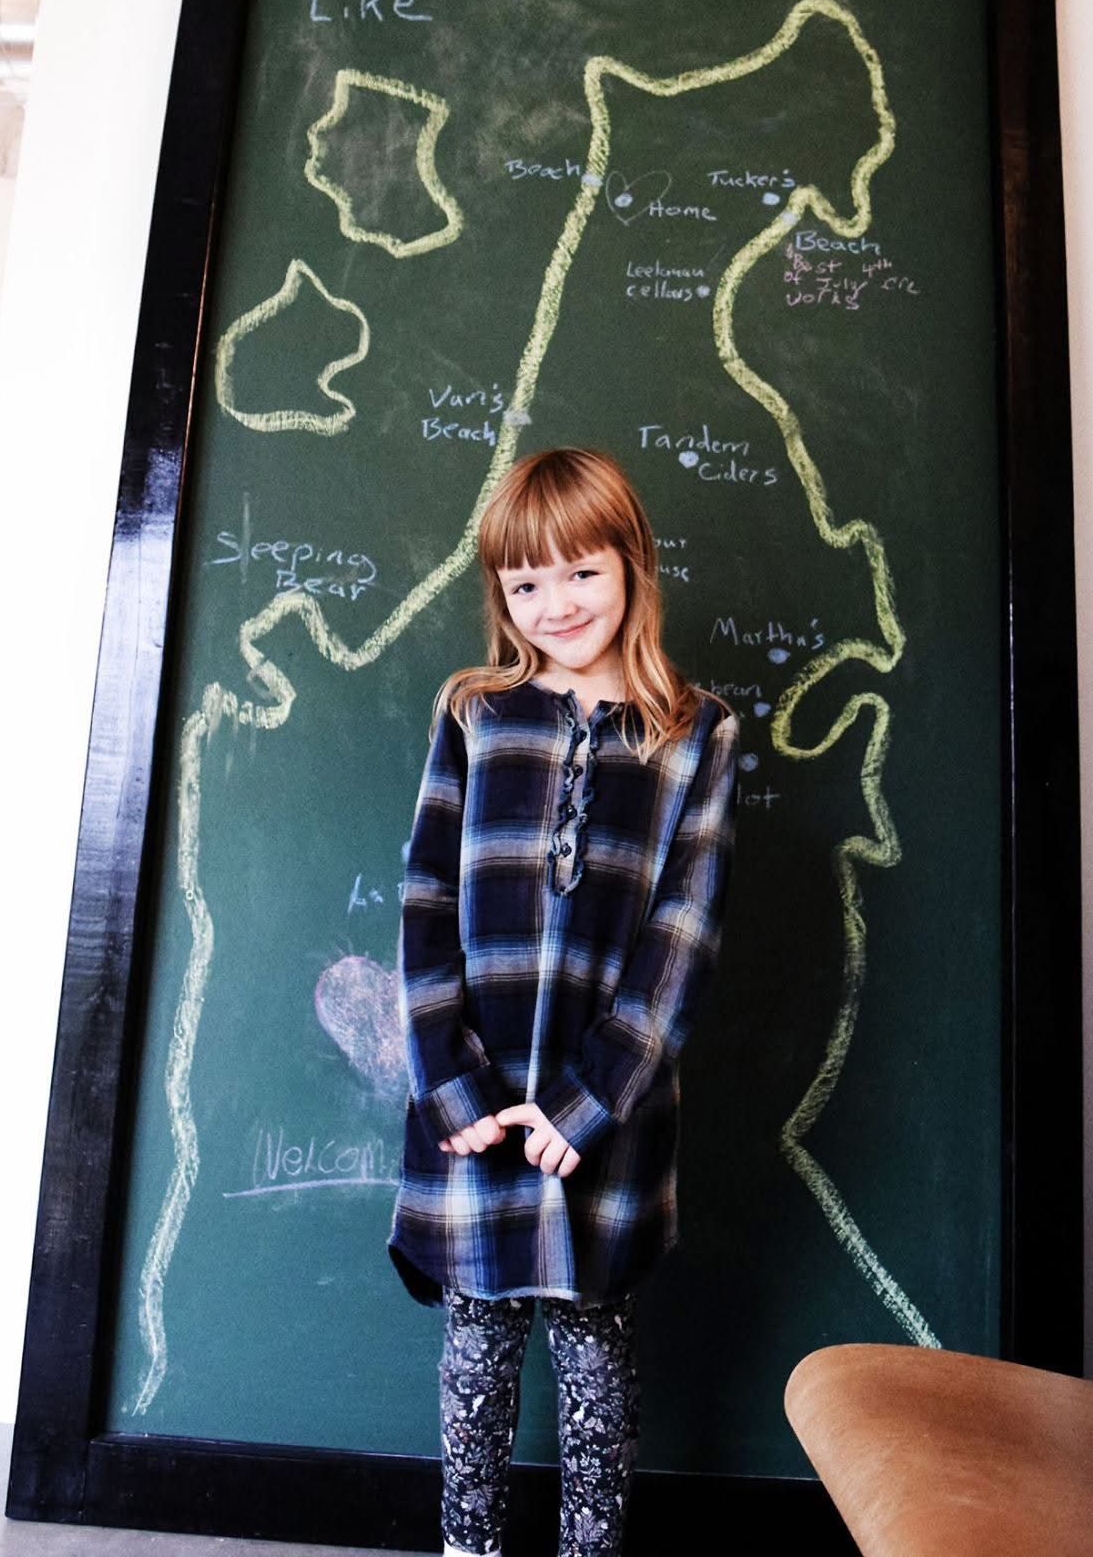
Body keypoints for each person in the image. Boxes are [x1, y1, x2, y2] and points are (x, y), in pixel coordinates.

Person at [387, 447, 740, 1557]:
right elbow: (425, 895)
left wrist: (589, 1103)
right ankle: (468, 1546)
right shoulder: (475, 713)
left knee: (594, 1351)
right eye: (524, 585)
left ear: (632, 564)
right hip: (477, 1110)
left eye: (579, 572)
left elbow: (685, 931)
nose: (555, 604)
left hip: (605, 1112)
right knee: (476, 1345)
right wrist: (452, 1084)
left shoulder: (695, 731)